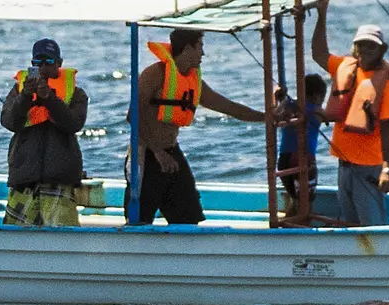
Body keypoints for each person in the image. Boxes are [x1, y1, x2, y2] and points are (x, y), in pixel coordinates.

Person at [129, 28, 265, 225]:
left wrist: (268, 118)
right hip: (146, 155)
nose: (203, 53)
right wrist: (158, 152)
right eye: (200, 46)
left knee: (189, 218)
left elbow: (230, 108)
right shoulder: (154, 74)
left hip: (172, 153)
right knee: (139, 220)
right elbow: (132, 115)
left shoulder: (193, 82)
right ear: (188, 48)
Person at [311, 2, 389, 226]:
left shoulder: (386, 84)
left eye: (371, 47)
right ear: (354, 47)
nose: (365, 51)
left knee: (371, 226)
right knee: (349, 224)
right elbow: (318, 54)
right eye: (361, 46)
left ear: (381, 50)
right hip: (344, 164)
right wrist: (321, 13)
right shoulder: (344, 66)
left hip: (368, 168)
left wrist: (387, 170)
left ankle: (380, 260)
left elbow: (388, 132)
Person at [0, 37, 88, 227]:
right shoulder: (19, 90)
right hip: (25, 178)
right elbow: (9, 121)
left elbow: (74, 124)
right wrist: (24, 96)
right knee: (16, 235)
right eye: (37, 63)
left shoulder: (77, 94)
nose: (43, 68)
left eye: (49, 62)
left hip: (59, 179)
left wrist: (50, 99)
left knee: (63, 235)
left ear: (59, 63)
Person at [276, 72, 329, 201]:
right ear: (317, 97)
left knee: (297, 199)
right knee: (305, 202)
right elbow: (327, 118)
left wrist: (280, 100)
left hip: (284, 159)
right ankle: (300, 219)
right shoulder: (316, 110)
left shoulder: (288, 106)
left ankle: (293, 217)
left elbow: (275, 115)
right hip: (303, 158)